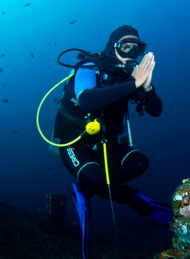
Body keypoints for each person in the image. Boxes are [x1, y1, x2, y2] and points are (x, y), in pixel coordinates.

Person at [52, 25, 172, 228]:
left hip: (106, 144)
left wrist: (147, 87)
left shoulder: (128, 78)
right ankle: (129, 199)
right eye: (126, 47)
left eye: (137, 48)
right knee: (96, 178)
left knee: (140, 162)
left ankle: (89, 187)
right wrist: (134, 84)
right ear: (112, 47)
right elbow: (86, 101)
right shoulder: (89, 66)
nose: (132, 54)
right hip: (75, 143)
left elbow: (156, 110)